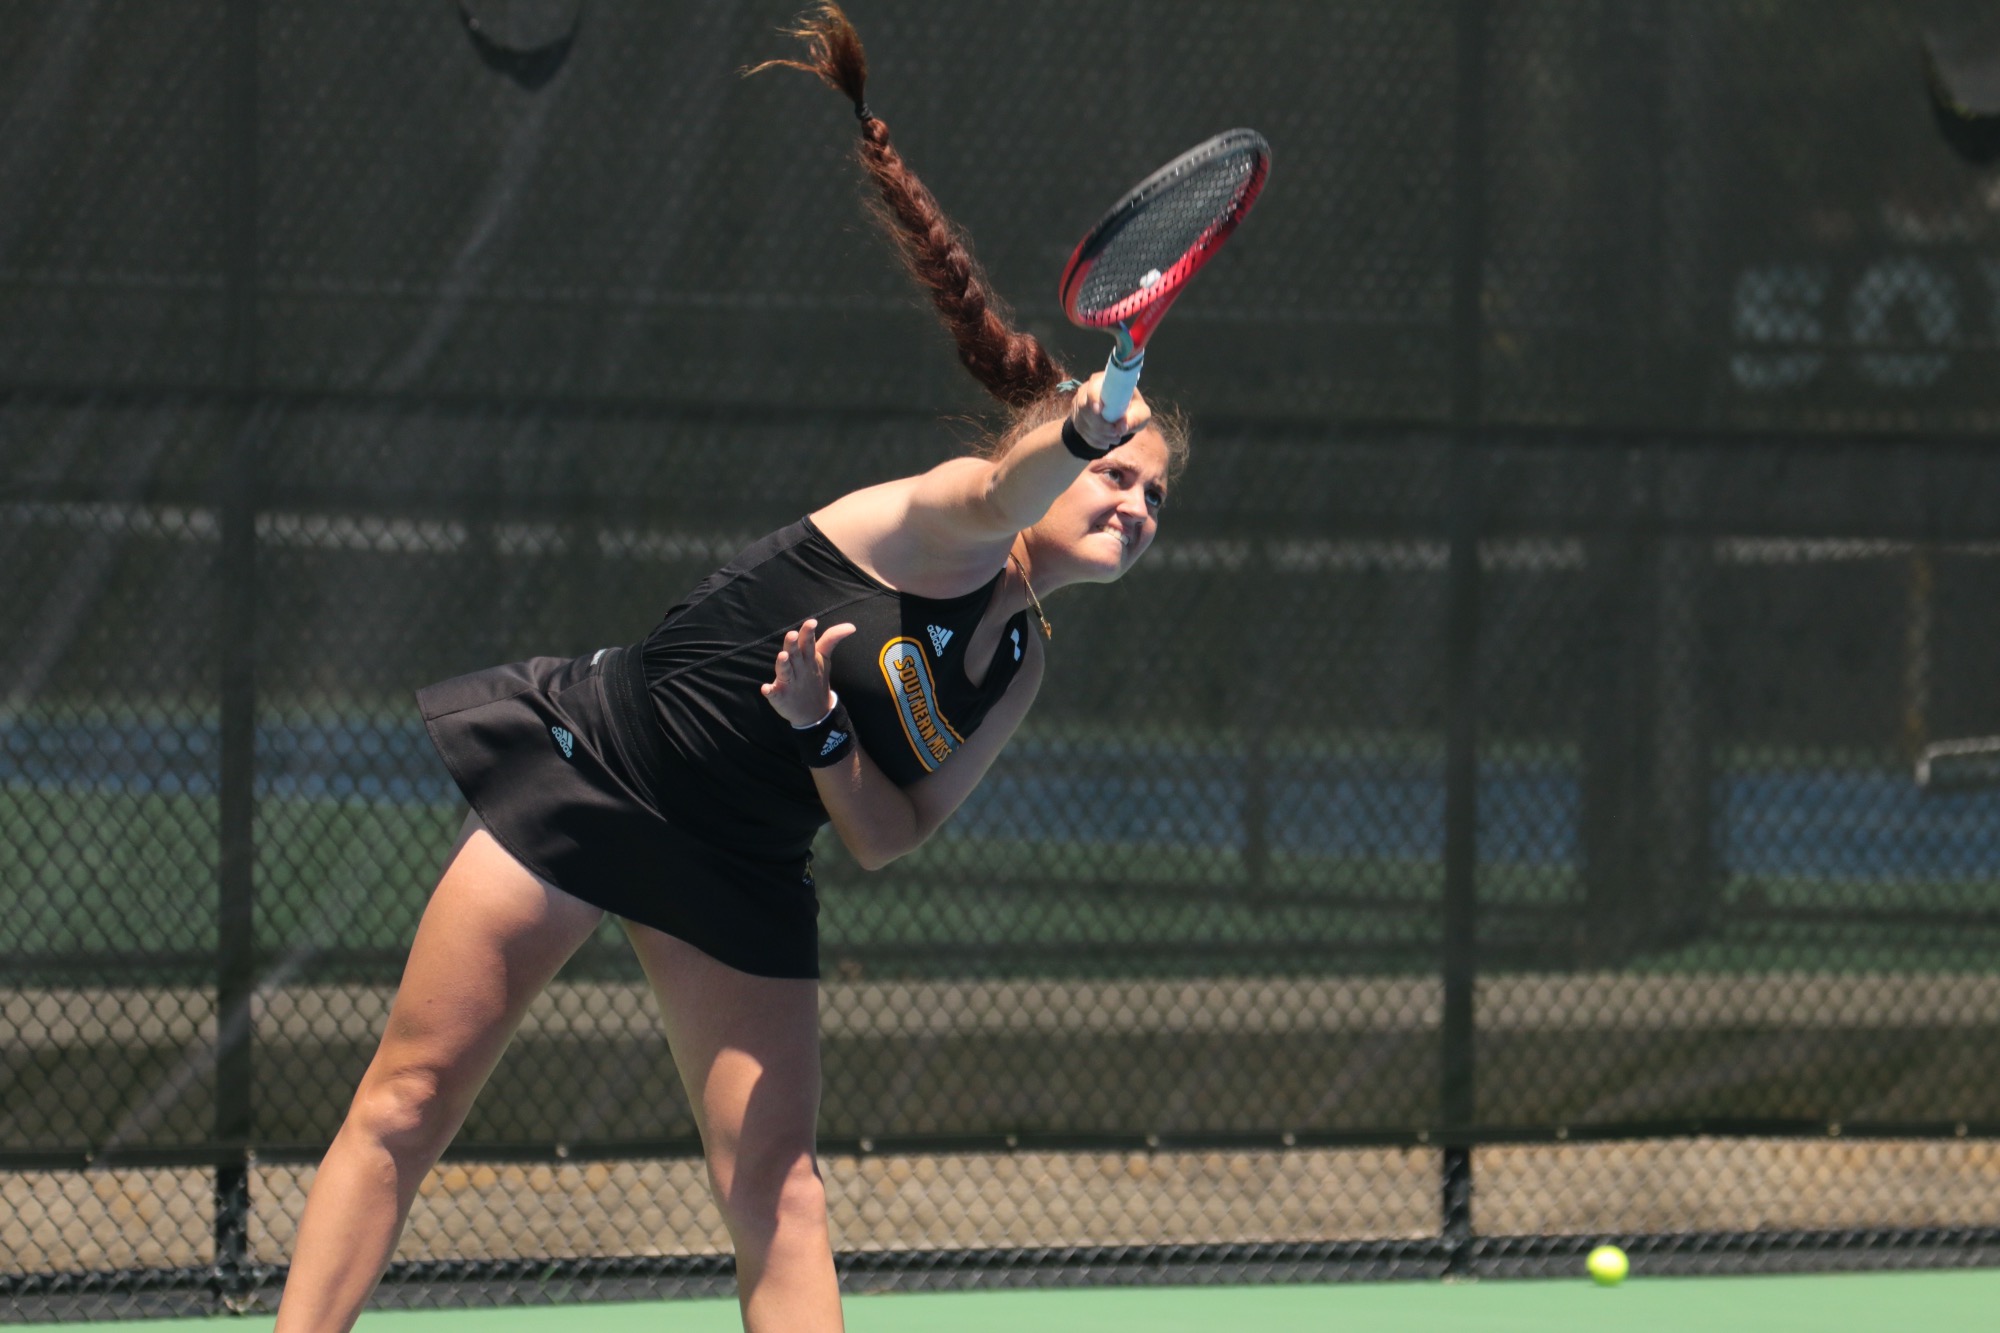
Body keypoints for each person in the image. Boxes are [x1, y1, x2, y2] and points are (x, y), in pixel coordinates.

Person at [273, 5, 1185, 1330]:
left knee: (783, 1187)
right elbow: (999, 487)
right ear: (1054, 451)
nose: (1136, 503)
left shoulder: (1016, 665)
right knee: (409, 1103)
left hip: (742, 862)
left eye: (1155, 495)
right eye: (1115, 472)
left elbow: (887, 831)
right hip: (598, 766)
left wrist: (823, 732)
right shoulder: (933, 520)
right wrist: (1082, 423)